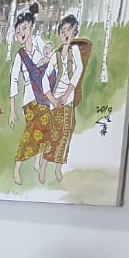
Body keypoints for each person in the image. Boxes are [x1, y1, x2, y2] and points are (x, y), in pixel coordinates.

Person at [7, 2, 55, 185]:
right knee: (31, 133)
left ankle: (37, 163)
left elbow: (50, 60)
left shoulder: (40, 43)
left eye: (24, 28)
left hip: (44, 94)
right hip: (29, 99)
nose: (21, 33)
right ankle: (16, 167)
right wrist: (12, 110)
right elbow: (13, 81)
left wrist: (46, 58)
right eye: (18, 31)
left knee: (45, 129)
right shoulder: (19, 56)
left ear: (31, 27)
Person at [40, 15, 91, 184]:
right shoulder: (55, 55)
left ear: (74, 31)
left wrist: (67, 94)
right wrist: (52, 99)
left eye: (69, 30)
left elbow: (78, 71)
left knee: (65, 134)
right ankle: (43, 167)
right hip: (55, 101)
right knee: (52, 135)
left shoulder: (74, 51)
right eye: (62, 31)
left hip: (67, 100)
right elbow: (45, 78)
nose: (65, 33)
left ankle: (58, 168)